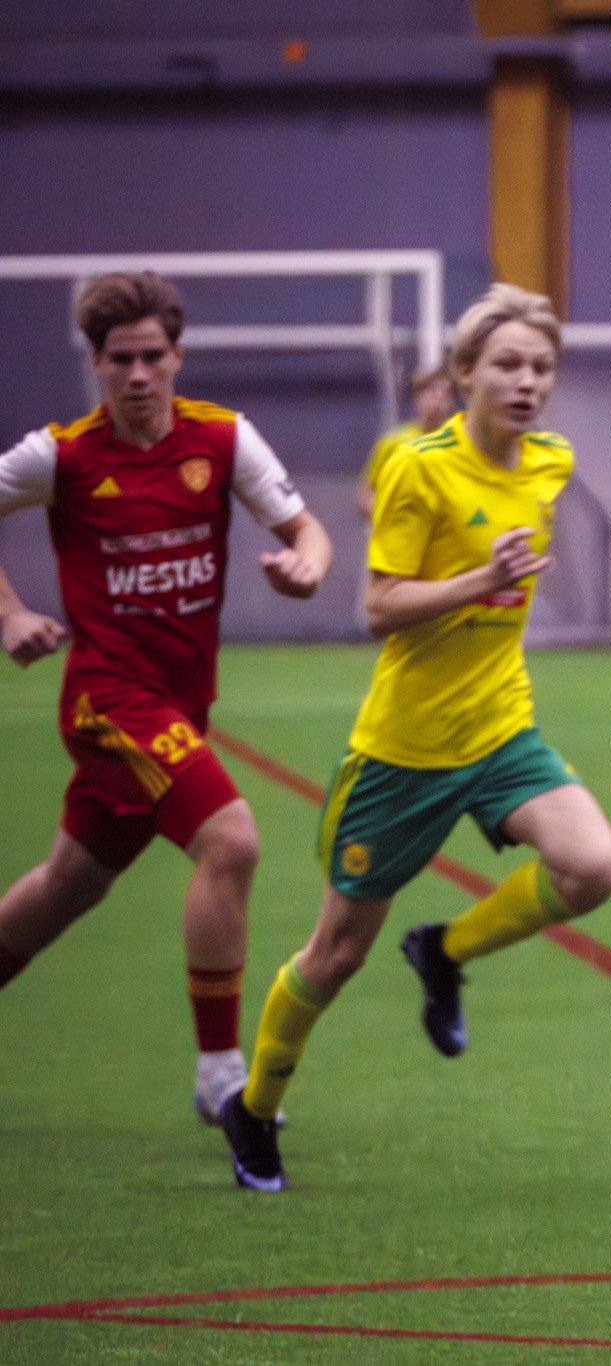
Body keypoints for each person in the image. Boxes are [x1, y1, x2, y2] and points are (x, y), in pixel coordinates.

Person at [221, 284, 611, 1192]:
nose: (528, 383)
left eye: (542, 367)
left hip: (501, 727)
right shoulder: (418, 468)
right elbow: (378, 607)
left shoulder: (551, 461)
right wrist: (481, 580)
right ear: (465, 373)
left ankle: (444, 950)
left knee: (593, 866)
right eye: (509, 365)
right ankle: (255, 1104)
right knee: (335, 953)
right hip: (403, 754)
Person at [0, 270, 332, 1126]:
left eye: (154, 356)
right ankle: (221, 1073)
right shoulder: (62, 455)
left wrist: (309, 566)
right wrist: (8, 615)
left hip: (182, 707)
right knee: (234, 839)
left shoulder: (222, 441)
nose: (139, 374)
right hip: (108, 701)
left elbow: (305, 528)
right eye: (122, 359)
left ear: (178, 355)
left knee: (67, 887)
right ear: (98, 363)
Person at [358, 368, 458, 520]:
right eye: (432, 392)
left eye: (446, 394)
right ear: (417, 397)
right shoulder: (394, 442)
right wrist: (387, 518)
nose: (438, 400)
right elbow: (367, 493)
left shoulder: (457, 443)